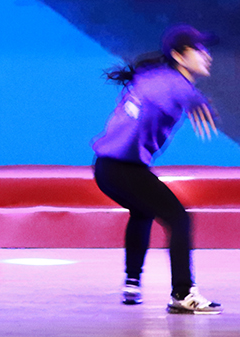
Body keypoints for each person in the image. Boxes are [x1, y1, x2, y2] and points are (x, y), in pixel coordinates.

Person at [92, 24, 223, 315]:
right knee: (179, 218)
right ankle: (183, 294)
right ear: (178, 55)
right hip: (121, 168)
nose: (207, 55)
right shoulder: (172, 84)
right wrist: (194, 99)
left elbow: (159, 90)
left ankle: (132, 283)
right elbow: (172, 92)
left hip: (108, 168)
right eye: (198, 49)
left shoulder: (157, 77)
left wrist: (192, 98)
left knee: (143, 211)